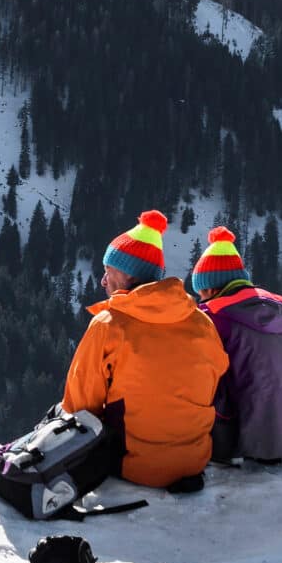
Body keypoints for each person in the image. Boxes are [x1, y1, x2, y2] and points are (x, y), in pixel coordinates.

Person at [60, 210, 229, 490]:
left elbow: (80, 407)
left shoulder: (108, 324)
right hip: (195, 461)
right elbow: (215, 379)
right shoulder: (202, 321)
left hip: (135, 466)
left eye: (108, 271)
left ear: (127, 274)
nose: (103, 281)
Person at [192, 226, 282, 463]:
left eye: (201, 294)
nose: (200, 300)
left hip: (263, 443)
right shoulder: (273, 311)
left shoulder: (217, 317)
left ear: (211, 289)